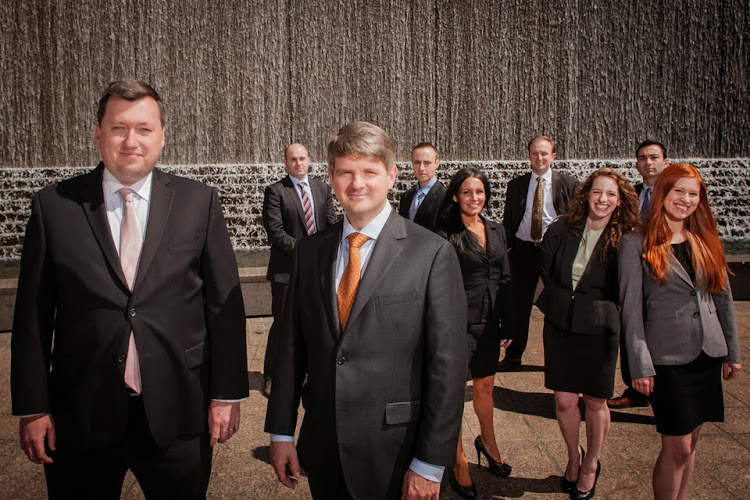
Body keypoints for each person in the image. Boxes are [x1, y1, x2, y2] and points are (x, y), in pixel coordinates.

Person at [10, 79, 249, 499]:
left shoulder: (199, 201)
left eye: (143, 129)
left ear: (162, 137)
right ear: (98, 134)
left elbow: (223, 309)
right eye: (119, 128)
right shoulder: (53, 206)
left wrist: (227, 394)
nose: (131, 141)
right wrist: (32, 407)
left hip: (178, 409)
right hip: (80, 413)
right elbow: (32, 316)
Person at [264, 121, 467, 500]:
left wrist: (430, 463)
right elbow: (291, 348)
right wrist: (281, 432)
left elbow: (448, 367)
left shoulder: (432, 254)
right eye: (345, 172)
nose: (357, 183)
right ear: (330, 178)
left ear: (391, 175)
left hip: (396, 452)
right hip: (324, 447)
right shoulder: (308, 252)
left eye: (369, 172)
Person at [619, 163, 742, 500]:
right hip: (666, 359)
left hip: (707, 353)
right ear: (663, 193)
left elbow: (722, 298)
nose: (686, 200)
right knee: (678, 447)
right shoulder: (635, 242)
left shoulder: (705, 238)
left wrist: (732, 352)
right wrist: (639, 366)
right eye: (679, 191)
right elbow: (631, 309)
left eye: (693, 194)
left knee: (692, 442)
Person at [537, 168, 640, 499]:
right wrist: (559, 301)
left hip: (599, 329)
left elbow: (629, 287)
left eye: (610, 194)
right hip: (560, 325)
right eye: (597, 192)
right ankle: (574, 456)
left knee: (596, 402)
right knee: (564, 400)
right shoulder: (562, 228)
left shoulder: (627, 239)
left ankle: (591, 463)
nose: (603, 199)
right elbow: (545, 269)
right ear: (586, 195)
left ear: (620, 200)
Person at [438, 168, 515, 499]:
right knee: (455, 394)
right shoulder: (445, 235)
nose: (474, 198)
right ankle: (458, 460)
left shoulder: (496, 229)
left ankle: (488, 441)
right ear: (456, 196)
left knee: (485, 387)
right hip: (457, 323)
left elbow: (505, 278)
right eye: (467, 192)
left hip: (490, 322)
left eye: (480, 192)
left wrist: (509, 323)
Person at [262, 143, 336, 397]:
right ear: (286, 163)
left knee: (316, 322)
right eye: (293, 159)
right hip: (286, 271)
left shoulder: (322, 188)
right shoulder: (275, 191)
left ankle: (311, 372)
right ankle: (272, 376)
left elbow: (331, 224)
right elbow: (275, 232)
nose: (298, 163)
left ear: (309, 160)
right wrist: (306, 252)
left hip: (318, 270)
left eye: (302, 158)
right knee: (283, 324)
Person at [499, 136, 579, 371]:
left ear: (553, 156)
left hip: (555, 251)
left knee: (558, 303)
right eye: (535, 153)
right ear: (529, 156)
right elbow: (509, 220)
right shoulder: (516, 185)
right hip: (523, 250)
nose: (539, 157)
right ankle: (513, 356)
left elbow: (576, 219)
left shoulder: (569, 184)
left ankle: (559, 358)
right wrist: (505, 250)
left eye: (544, 153)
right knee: (518, 306)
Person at [609, 139, 670, 409]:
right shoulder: (630, 196)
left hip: (664, 273)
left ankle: (665, 391)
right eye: (643, 158)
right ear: (636, 165)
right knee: (630, 327)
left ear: (666, 162)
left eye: (654, 157)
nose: (648, 162)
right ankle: (636, 389)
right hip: (633, 272)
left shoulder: (676, 195)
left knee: (663, 331)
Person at [398, 142, 447, 232]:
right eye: (417, 162)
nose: (421, 168)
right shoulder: (406, 197)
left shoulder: (446, 198)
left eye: (427, 163)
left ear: (437, 163)